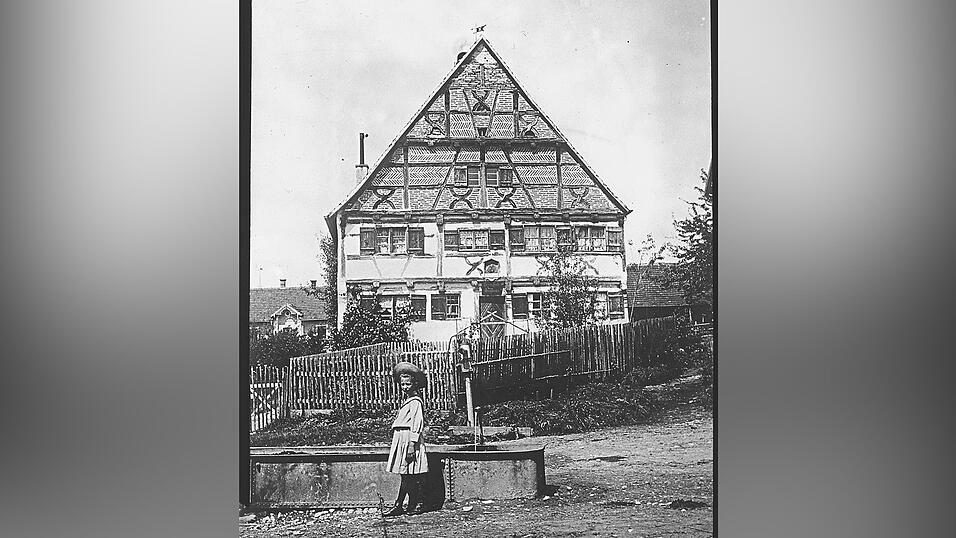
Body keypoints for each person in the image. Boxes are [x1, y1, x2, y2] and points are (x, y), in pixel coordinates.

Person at [383, 361, 429, 517]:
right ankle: (403, 504)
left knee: (413, 473)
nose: (404, 387)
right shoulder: (408, 401)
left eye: (408, 384)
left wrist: (411, 445)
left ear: (414, 384)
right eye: (402, 384)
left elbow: (417, 424)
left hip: (409, 440)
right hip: (402, 439)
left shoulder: (415, 402)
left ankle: (417, 503)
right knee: (406, 473)